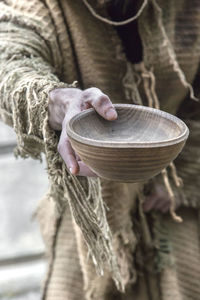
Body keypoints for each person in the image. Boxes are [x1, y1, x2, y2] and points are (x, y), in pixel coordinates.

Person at [0, 0, 200, 299]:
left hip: (172, 193)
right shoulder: (41, 6)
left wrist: (185, 173)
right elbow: (11, 62)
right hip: (86, 200)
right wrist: (58, 102)